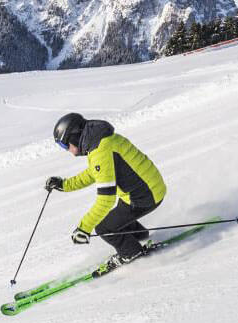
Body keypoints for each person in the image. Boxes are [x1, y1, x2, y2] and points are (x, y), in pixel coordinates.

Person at [45, 113, 166, 263]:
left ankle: (132, 253)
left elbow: (106, 199)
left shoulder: (100, 151)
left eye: (64, 145)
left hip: (145, 195)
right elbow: (94, 173)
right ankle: (140, 238)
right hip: (148, 189)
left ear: (74, 136)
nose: (66, 150)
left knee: (104, 228)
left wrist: (85, 228)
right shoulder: (101, 141)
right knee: (116, 218)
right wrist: (64, 185)